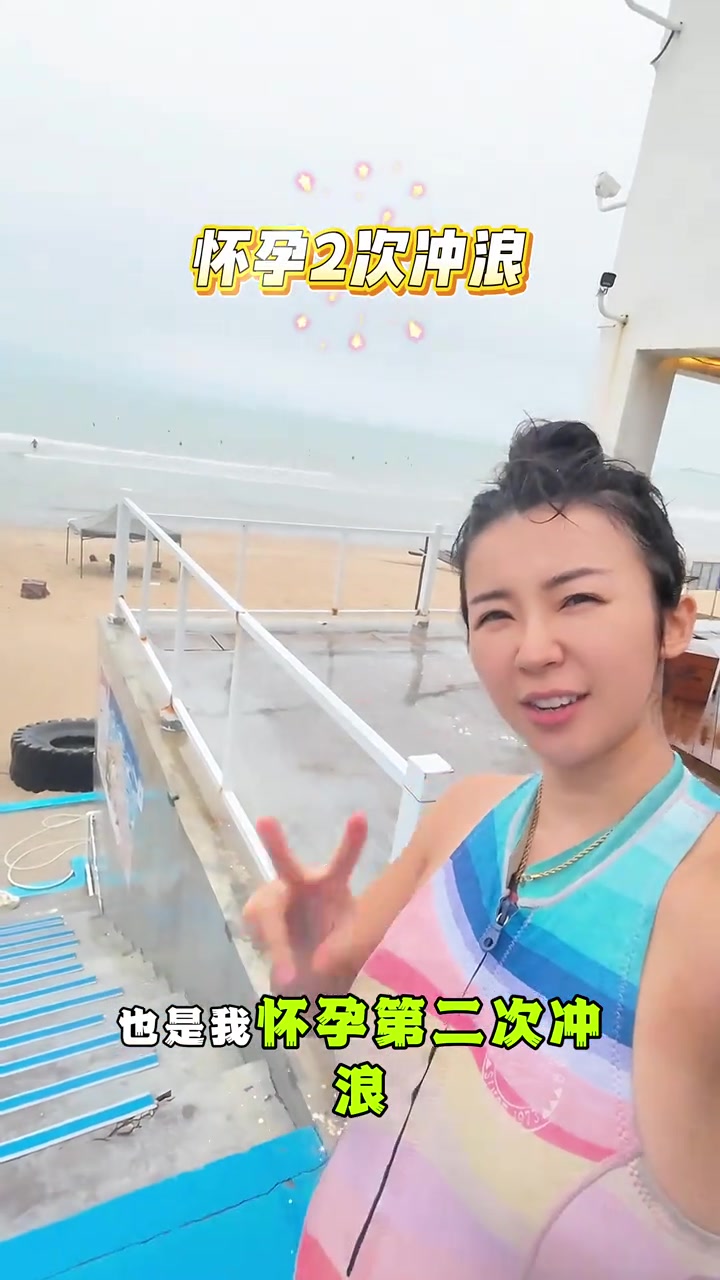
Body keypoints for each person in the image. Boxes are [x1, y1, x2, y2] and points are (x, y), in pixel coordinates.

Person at [244, 419, 720, 1279]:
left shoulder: (698, 900)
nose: (534, 650)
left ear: (672, 624)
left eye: (578, 599)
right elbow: (331, 1030)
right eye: (495, 614)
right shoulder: (467, 818)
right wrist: (306, 969)